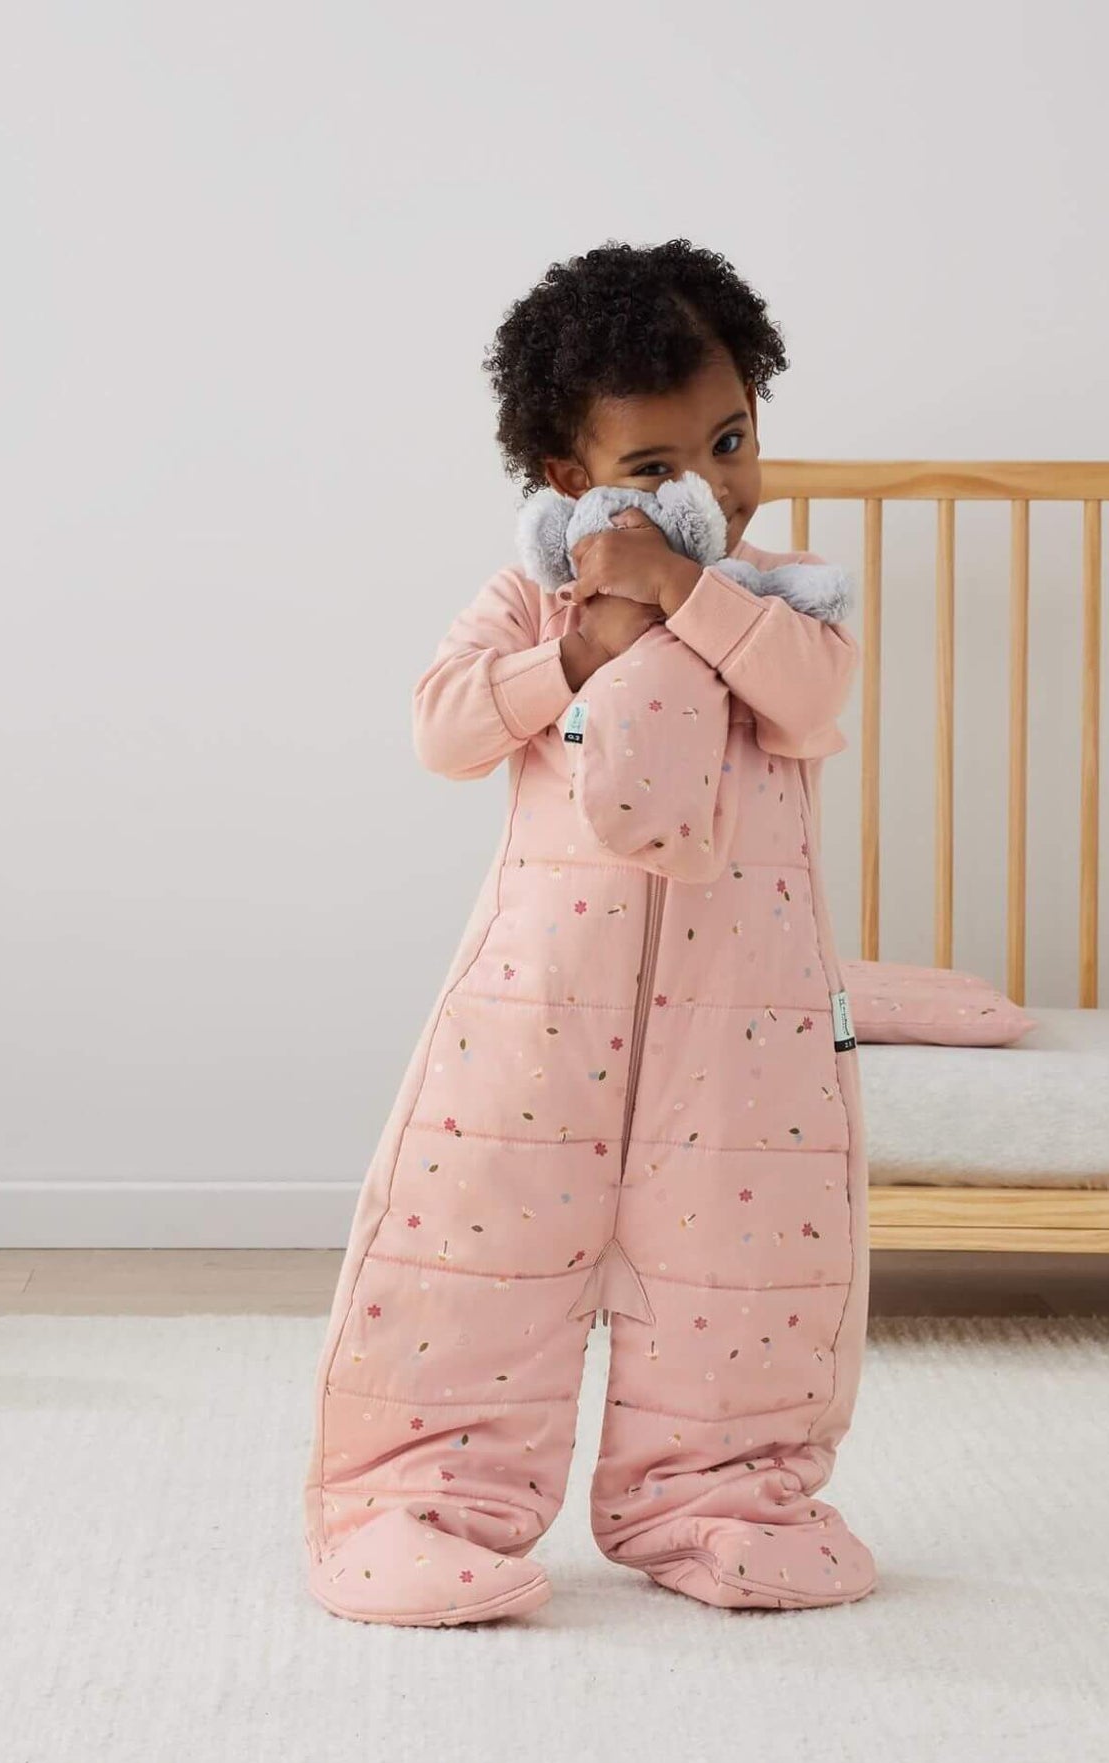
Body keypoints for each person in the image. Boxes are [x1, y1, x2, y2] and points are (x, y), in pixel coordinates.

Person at [301, 239, 876, 1626]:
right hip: (536, 1003)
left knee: (739, 1269)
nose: (713, 486)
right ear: (567, 482)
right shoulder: (528, 603)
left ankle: (720, 1494)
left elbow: (812, 708)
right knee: (475, 1241)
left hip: (741, 1019)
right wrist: (572, 654)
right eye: (657, 467)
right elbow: (441, 727)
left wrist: (688, 595)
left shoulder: (782, 602)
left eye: (732, 439)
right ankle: (416, 1494)